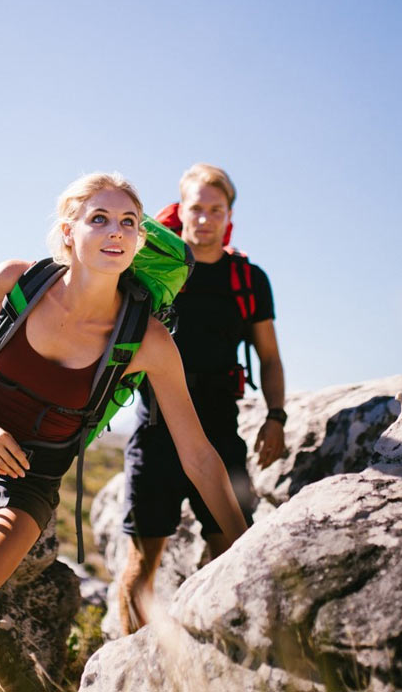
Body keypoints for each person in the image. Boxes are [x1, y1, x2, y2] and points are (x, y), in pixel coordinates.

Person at [0, 172, 248, 690]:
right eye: (98, 219)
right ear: (68, 231)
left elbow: (199, 456)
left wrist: (245, 546)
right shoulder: (18, 280)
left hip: (22, 484)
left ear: (139, 241)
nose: (115, 231)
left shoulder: (148, 340)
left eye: (128, 222)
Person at [119, 163, 287, 634]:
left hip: (219, 430)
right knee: (141, 564)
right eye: (197, 207)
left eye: (217, 209)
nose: (206, 218)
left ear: (229, 214)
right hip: (155, 431)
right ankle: (131, 669)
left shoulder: (247, 279)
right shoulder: (155, 268)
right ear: (181, 210)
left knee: (234, 552)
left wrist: (276, 416)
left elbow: (269, 356)